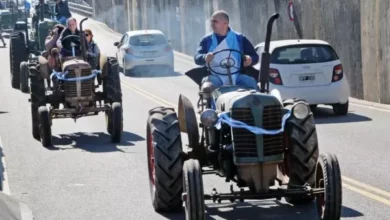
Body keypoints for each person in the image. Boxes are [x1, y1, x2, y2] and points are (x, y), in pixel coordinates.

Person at [194, 10, 259, 90]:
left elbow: (255, 56)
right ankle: (213, 103)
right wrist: (205, 57)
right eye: (211, 21)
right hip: (215, 76)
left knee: (251, 82)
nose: (212, 24)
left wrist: (250, 59)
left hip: (237, 75)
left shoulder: (240, 38)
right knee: (208, 86)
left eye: (215, 21)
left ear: (225, 23)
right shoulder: (207, 40)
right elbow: (197, 57)